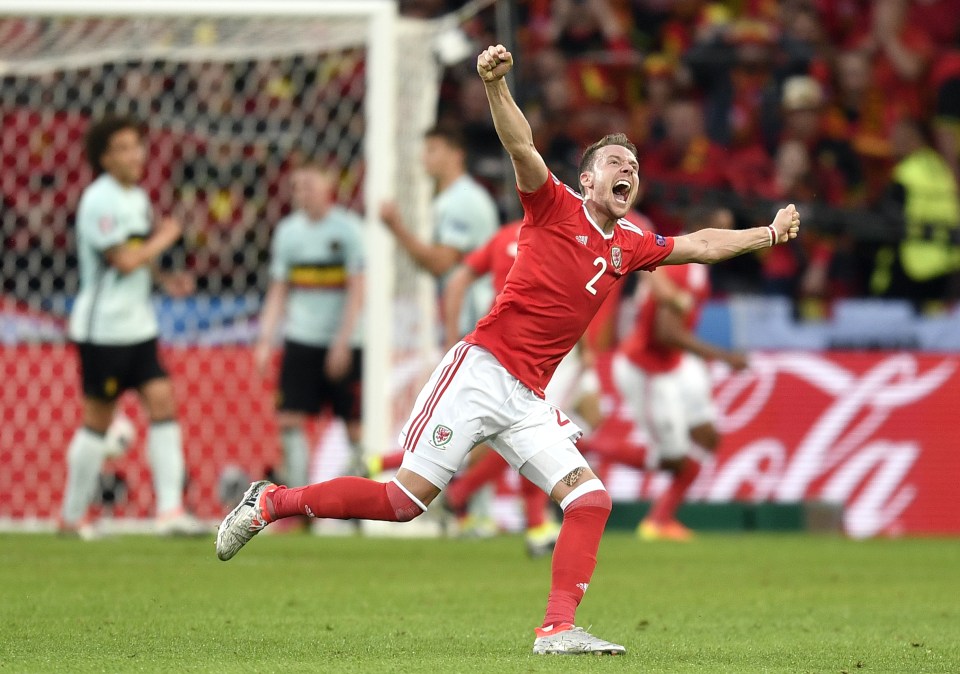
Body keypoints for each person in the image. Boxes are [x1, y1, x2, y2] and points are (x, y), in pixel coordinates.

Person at [216, 44, 800, 656]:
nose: (628, 171)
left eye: (634, 166)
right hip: (479, 372)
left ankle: (556, 628)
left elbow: (702, 244)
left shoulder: (630, 243)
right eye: (614, 163)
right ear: (588, 179)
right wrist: (496, 86)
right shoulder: (552, 205)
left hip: (527, 397)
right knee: (402, 502)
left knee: (589, 499)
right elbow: (522, 146)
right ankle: (272, 502)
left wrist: (767, 233)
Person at [60, 116, 203, 538]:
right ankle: (71, 516)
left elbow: (140, 256)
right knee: (97, 421)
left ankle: (170, 512)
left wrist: (164, 279)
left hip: (139, 326)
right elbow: (121, 259)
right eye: (122, 148)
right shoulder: (97, 201)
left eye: (137, 146)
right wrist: (168, 236)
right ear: (104, 158)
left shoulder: (138, 198)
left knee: (163, 401)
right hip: (102, 329)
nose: (134, 154)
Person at [613, 219, 749, 542]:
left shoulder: (699, 269)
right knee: (672, 459)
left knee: (706, 436)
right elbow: (666, 332)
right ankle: (585, 446)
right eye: (724, 230)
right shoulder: (681, 266)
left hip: (674, 363)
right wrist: (724, 357)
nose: (731, 238)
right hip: (648, 366)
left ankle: (659, 520)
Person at [254, 162, 366, 495]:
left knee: (355, 423)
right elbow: (279, 289)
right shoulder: (288, 232)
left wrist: (342, 341)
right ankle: (298, 501)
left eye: (309, 185)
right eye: (297, 187)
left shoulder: (349, 230)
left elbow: (358, 289)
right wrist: (265, 340)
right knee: (289, 417)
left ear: (328, 186)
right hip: (301, 338)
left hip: (345, 340)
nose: (303, 193)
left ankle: (361, 498)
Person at [380, 125, 499, 337]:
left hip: (472, 319)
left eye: (432, 149)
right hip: (463, 316)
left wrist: (396, 228)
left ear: (457, 155)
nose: (424, 157)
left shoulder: (463, 200)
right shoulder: (451, 198)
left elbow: (441, 263)